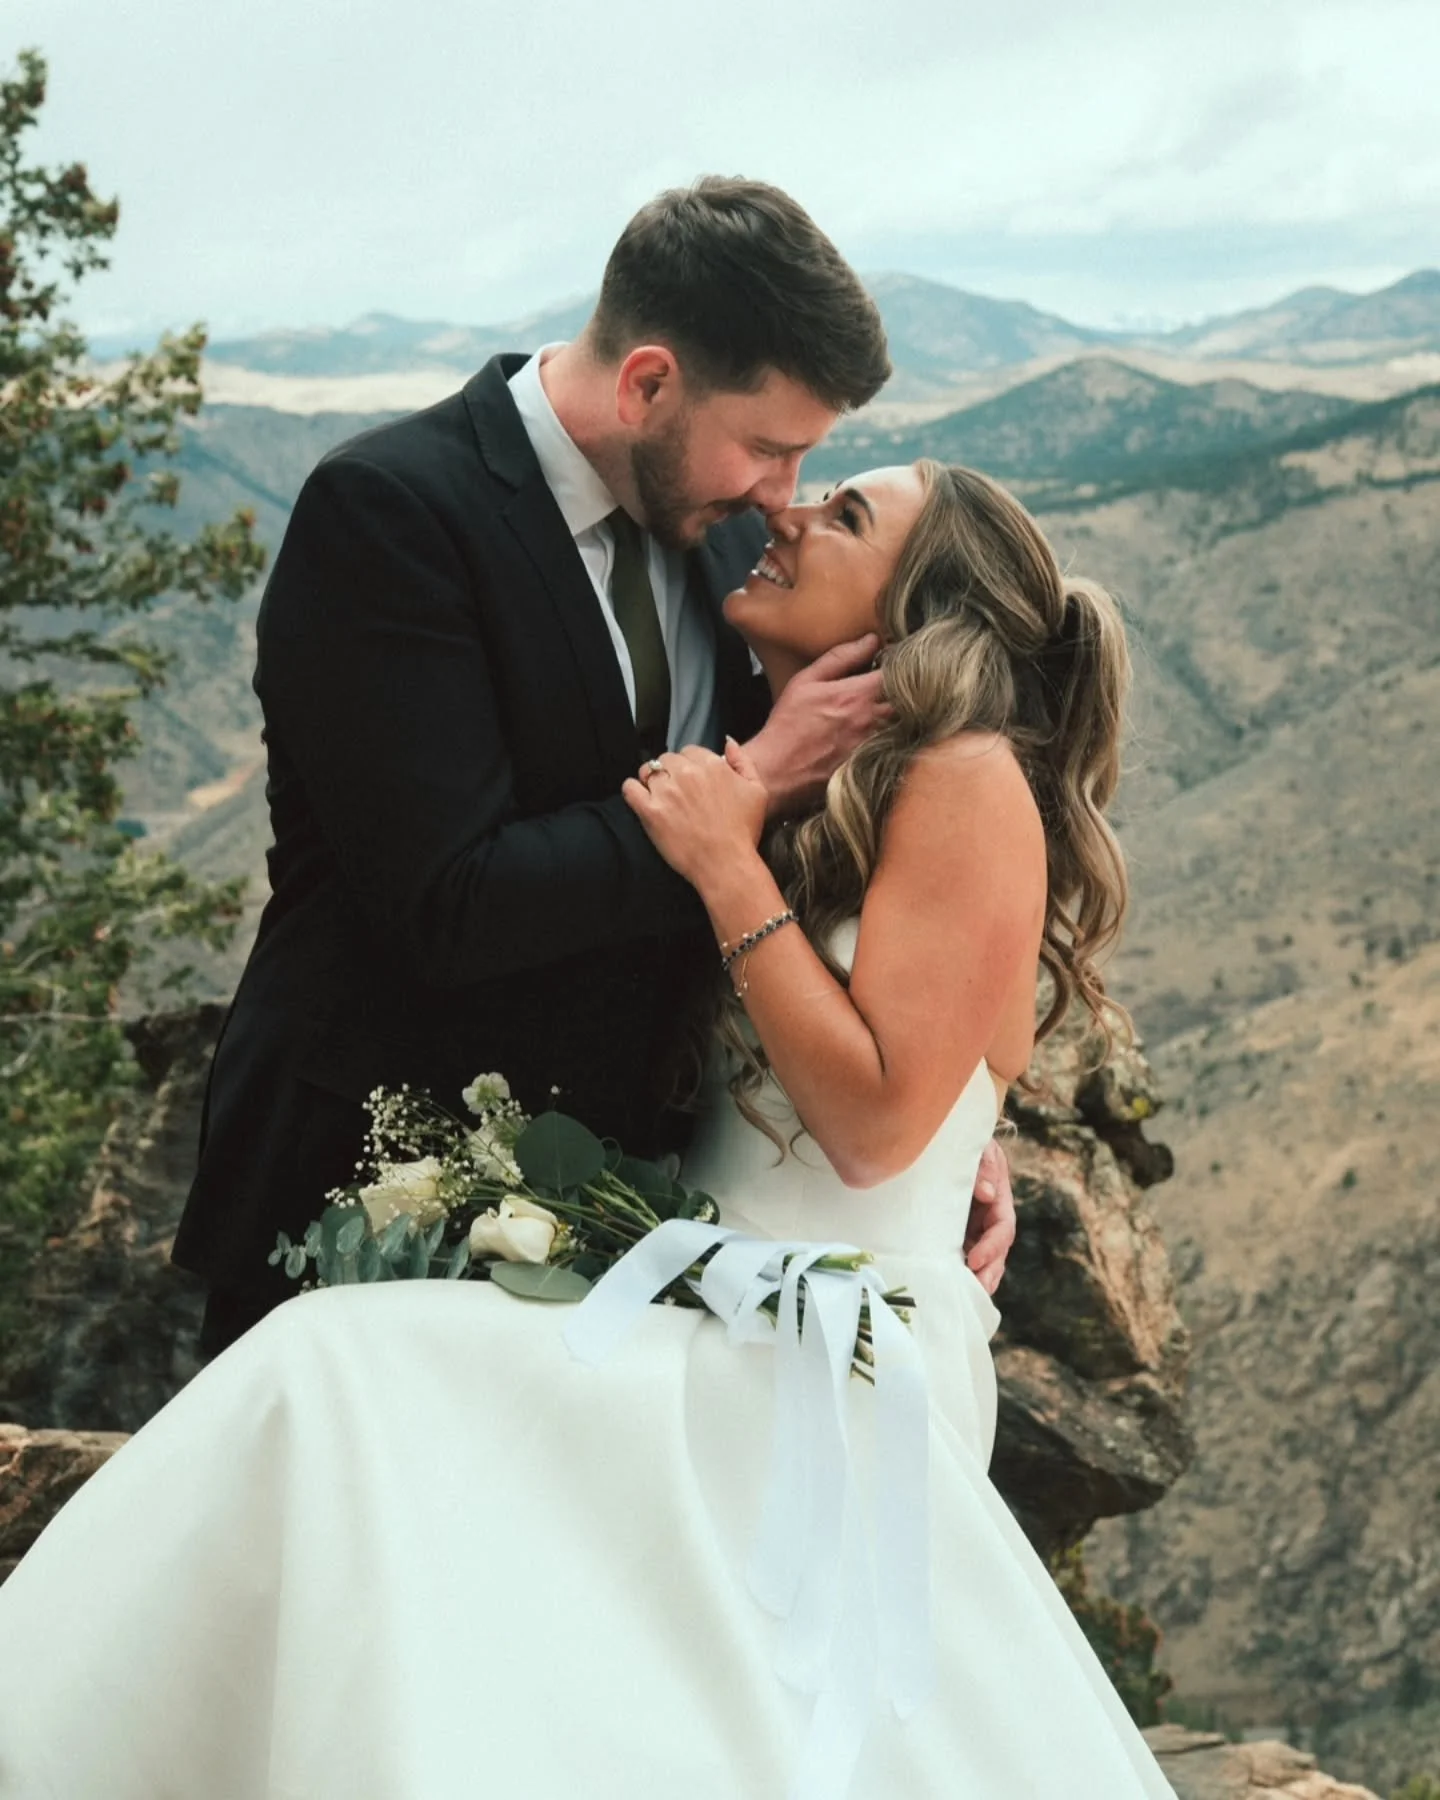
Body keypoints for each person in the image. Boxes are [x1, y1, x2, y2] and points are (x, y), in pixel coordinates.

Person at [0, 458, 1175, 1799]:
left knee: (336, 1373)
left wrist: (727, 864)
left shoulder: (965, 778)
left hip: (820, 1359)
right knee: (364, 1433)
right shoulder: (838, 765)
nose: (789, 511)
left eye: (848, 514)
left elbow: (868, 1131)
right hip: (701, 1306)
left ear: (921, 617)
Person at [173, 175, 1017, 1357]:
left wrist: (941, 1116)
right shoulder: (392, 514)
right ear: (648, 384)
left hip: (624, 1228)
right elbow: (446, 903)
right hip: (361, 1206)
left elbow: (834, 887)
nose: (783, 499)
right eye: (769, 448)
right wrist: (752, 781)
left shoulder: (729, 545)